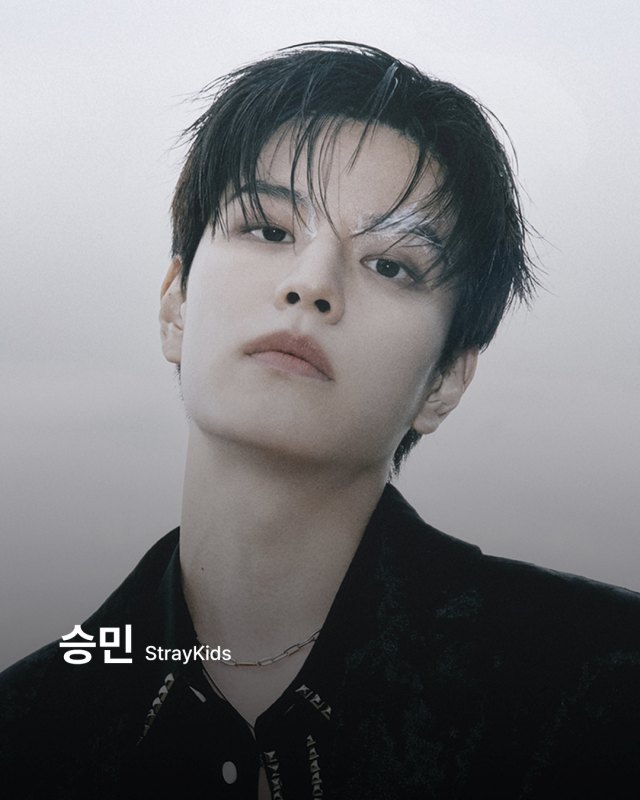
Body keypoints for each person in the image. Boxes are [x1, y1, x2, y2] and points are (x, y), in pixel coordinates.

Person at [1, 41, 639, 799]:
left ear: (444, 381)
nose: (311, 284)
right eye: (269, 230)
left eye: (390, 264)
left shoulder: (602, 684)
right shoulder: (28, 731)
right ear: (176, 304)